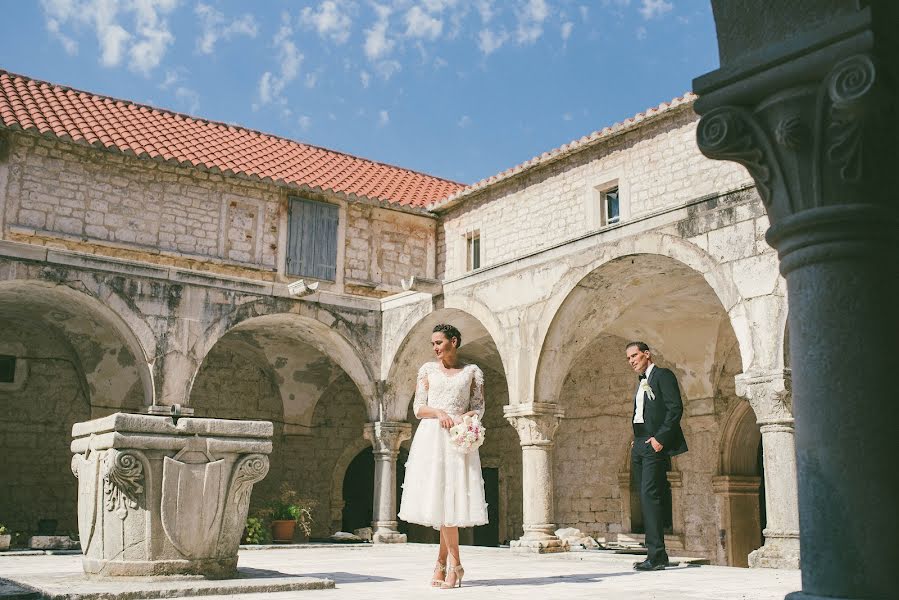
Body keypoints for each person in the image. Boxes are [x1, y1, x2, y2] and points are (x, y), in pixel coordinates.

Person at [397, 323, 487, 589]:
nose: (436, 348)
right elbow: (418, 408)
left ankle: (450, 566)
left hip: (457, 439)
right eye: (433, 344)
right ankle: (448, 566)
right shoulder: (427, 370)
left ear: (454, 341)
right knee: (439, 501)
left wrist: (462, 419)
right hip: (431, 439)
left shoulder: (472, 372)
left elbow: (478, 408)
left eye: (440, 342)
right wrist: (439, 413)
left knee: (451, 501)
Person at [625, 341, 688, 571]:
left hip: (655, 443)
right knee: (644, 497)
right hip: (640, 443)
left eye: (634, 356)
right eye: (628, 358)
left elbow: (675, 409)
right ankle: (654, 554)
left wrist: (660, 438)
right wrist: (636, 438)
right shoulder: (641, 382)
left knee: (650, 495)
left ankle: (657, 556)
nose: (631, 361)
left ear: (647, 354)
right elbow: (640, 414)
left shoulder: (663, 375)